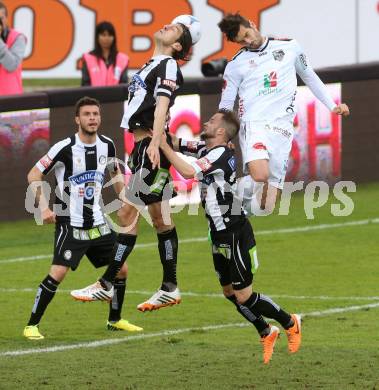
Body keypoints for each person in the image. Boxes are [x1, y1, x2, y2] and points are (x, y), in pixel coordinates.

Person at [71, 21, 196, 311]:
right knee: (161, 219)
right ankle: (170, 287)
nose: (167, 26)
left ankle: (107, 282)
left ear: (177, 46)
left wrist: (154, 144)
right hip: (143, 147)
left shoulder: (167, 65)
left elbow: (163, 103)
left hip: (150, 148)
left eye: (175, 29)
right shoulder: (151, 64)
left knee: (127, 212)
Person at [159, 110, 301, 364]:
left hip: (234, 230)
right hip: (217, 232)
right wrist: (157, 126)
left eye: (212, 121)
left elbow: (188, 171)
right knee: (228, 292)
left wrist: (161, 145)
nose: (205, 122)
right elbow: (176, 142)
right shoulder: (206, 146)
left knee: (244, 295)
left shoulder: (221, 155)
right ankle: (266, 331)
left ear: (222, 132)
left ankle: (290, 321)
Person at [23, 97, 142, 340]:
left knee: (121, 269)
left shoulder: (107, 145)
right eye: (87, 114)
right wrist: (44, 208)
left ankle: (115, 320)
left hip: (97, 222)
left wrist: (126, 200)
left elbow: (115, 174)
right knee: (58, 273)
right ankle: (31, 325)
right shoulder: (64, 147)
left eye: (95, 114)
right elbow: (34, 174)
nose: (92, 118)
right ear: (77, 119)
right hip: (70, 223)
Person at [217, 13, 350, 216]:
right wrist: (222, 138)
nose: (248, 41)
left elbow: (309, 76)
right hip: (255, 124)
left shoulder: (290, 46)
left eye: (247, 34)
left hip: (283, 129)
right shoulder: (235, 65)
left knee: (267, 206)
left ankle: (231, 218)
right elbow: (225, 106)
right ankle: (218, 194)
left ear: (252, 24)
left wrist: (332, 105)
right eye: (241, 41)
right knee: (260, 174)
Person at [81, 21, 129, 86]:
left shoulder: (122, 59)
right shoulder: (88, 58)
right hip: (93, 96)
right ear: (97, 37)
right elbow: (85, 84)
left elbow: (124, 83)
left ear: (114, 37)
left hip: (116, 95)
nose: (106, 38)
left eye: (110, 35)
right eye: (103, 35)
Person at [0, 1, 26, 95]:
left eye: (1, 18)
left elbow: (11, 66)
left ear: (6, 18)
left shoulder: (17, 38)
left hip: (10, 97)